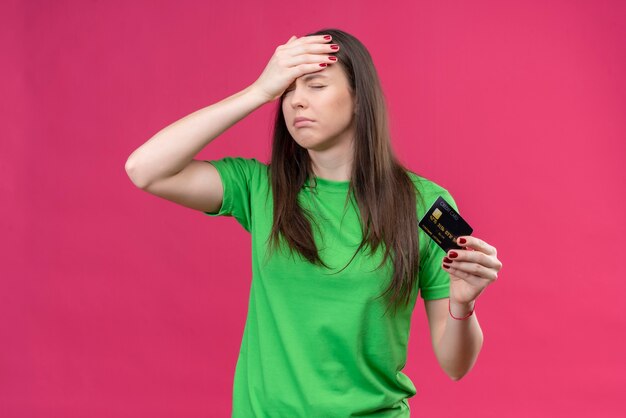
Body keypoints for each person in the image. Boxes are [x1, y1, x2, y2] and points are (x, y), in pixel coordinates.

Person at [125, 28, 503, 417]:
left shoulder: (429, 206)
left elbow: (456, 365)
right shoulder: (261, 188)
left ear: (359, 99)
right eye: (287, 90)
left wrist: (464, 304)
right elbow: (145, 169)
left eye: (316, 85)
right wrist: (258, 92)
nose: (296, 102)